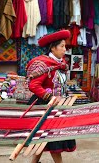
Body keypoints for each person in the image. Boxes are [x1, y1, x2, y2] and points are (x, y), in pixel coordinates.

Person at [26, 30, 76, 163]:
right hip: (45, 106)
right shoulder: (44, 64)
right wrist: (49, 97)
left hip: (57, 106)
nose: (65, 49)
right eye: (62, 46)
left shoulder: (60, 64)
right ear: (53, 48)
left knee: (42, 140)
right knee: (52, 140)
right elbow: (33, 85)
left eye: (65, 46)